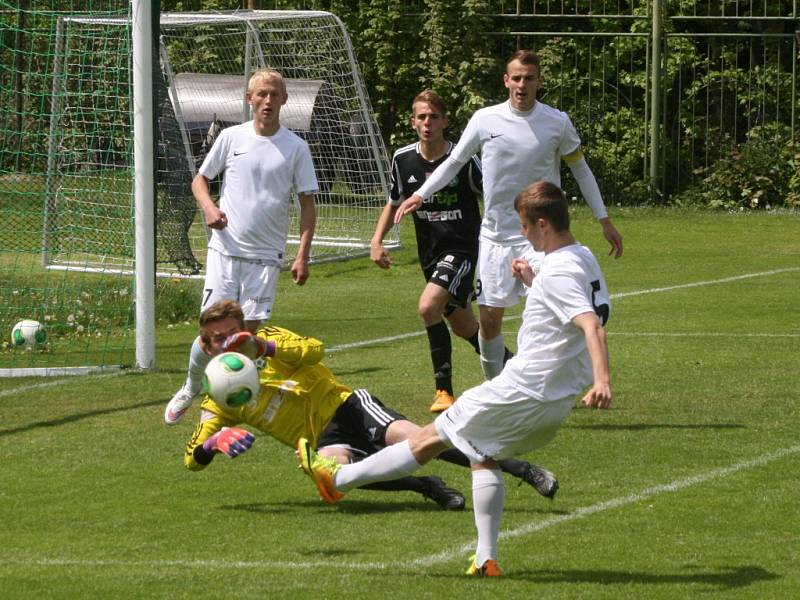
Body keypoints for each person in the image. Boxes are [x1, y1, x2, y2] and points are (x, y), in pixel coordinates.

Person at [297, 181, 612, 577]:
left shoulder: (559, 273)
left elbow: (589, 325)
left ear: (543, 224)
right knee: (482, 453)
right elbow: (575, 307)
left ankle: (339, 477)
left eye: (526, 226)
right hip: (555, 398)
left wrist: (603, 381)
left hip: (523, 388)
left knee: (431, 437)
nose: (522, 233)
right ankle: (486, 558)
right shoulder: (582, 258)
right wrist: (532, 280)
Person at [183, 299, 560, 511]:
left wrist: (264, 347)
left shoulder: (266, 340)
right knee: (336, 478)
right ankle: (426, 486)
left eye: (234, 333)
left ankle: (521, 469)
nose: (228, 342)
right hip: (323, 437)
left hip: (348, 406)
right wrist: (211, 446)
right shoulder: (218, 393)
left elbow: (314, 350)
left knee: (422, 438)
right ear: (207, 345)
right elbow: (190, 458)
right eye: (219, 339)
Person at [393, 50, 622, 381]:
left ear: (539, 82)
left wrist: (604, 220)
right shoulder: (485, 120)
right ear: (506, 81)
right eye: (516, 78)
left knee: (549, 314)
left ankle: (547, 381)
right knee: (488, 320)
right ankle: (495, 386)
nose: (522, 84)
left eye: (529, 78)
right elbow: (455, 162)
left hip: (543, 239)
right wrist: (419, 194)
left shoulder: (557, 122)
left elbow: (581, 170)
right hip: (497, 236)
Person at [165, 68, 318, 425]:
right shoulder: (231, 138)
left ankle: (232, 399)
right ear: (250, 99)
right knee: (212, 332)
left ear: (284, 100)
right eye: (261, 94)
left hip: (265, 257)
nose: (267, 101)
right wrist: (210, 208)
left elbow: (308, 204)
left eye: (274, 94)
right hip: (226, 250)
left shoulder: (296, 147)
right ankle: (190, 387)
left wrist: (302, 255)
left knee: (247, 336)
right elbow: (200, 180)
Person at [371, 90, 507, 413]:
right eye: (421, 117)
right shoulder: (402, 160)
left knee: (428, 307)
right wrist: (377, 241)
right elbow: (394, 204)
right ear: (412, 122)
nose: (427, 122)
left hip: (462, 249)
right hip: (430, 254)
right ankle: (515, 372)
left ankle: (444, 391)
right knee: (465, 327)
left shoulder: (461, 158)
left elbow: (495, 192)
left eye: (434, 116)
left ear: (445, 120)